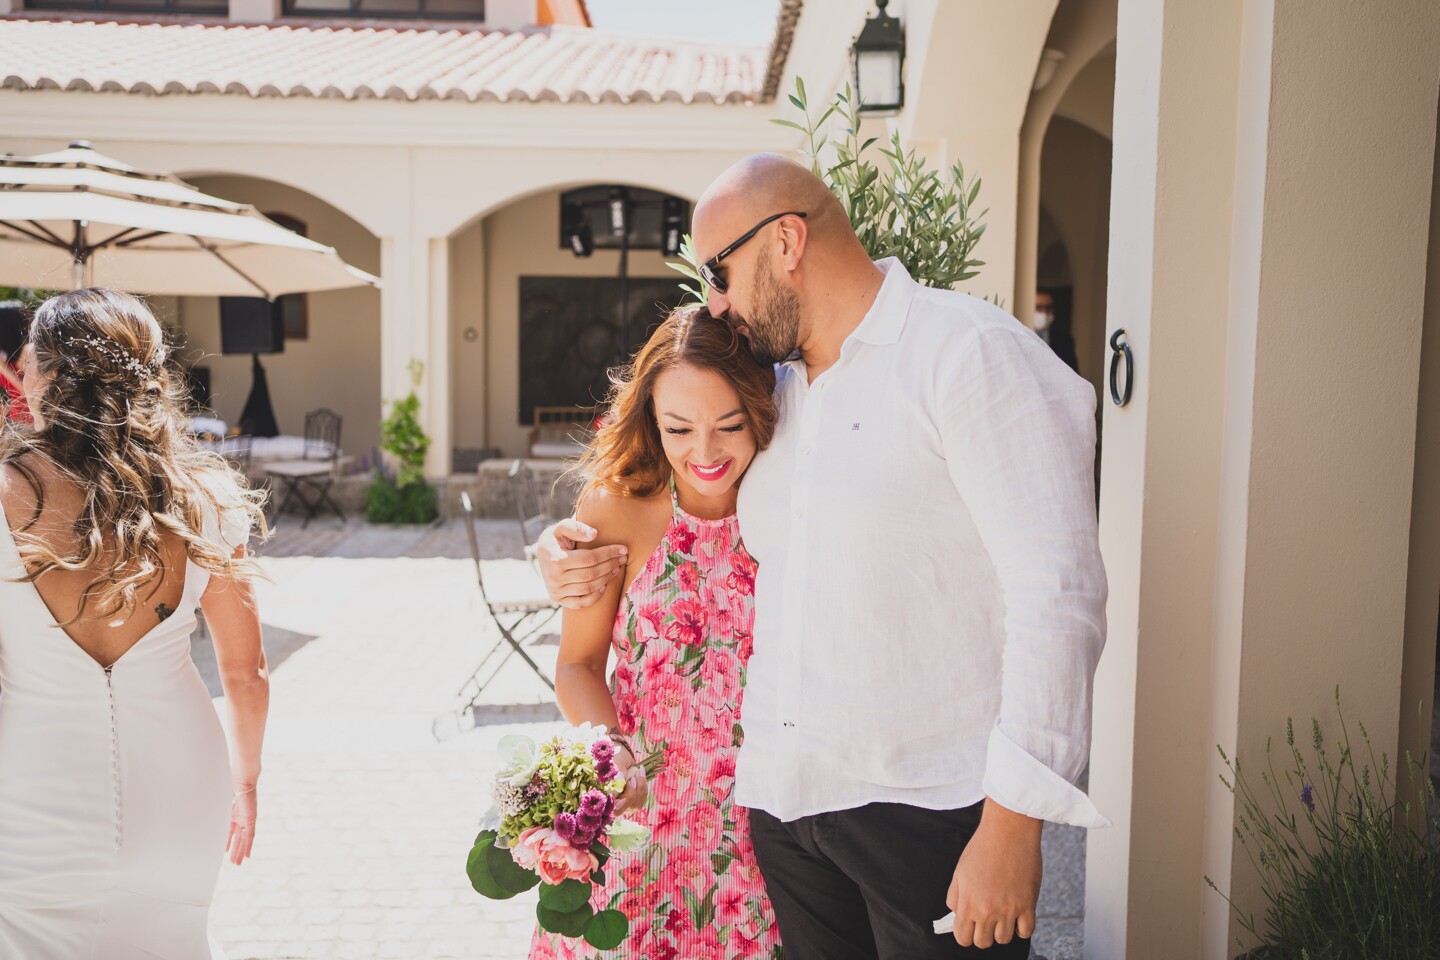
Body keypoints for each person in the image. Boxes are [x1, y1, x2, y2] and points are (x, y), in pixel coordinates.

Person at [538, 154, 1108, 959]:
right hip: (786, 816)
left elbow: (1058, 594)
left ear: (787, 241)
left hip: (929, 815)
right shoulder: (777, 394)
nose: (715, 302)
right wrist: (564, 551)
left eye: (721, 272)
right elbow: (681, 513)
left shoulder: (967, 352)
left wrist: (1015, 823)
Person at [0, 288, 270, 960]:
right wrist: (244, 779)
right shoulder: (200, 497)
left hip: (31, 794)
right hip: (181, 793)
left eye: (27, 360)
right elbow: (247, 673)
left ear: (46, 375)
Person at [530, 304, 783, 960]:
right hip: (641, 826)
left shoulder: (789, 499)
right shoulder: (619, 509)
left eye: (730, 425)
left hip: (764, 837)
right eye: (679, 428)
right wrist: (618, 762)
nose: (705, 453)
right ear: (650, 420)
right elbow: (577, 666)